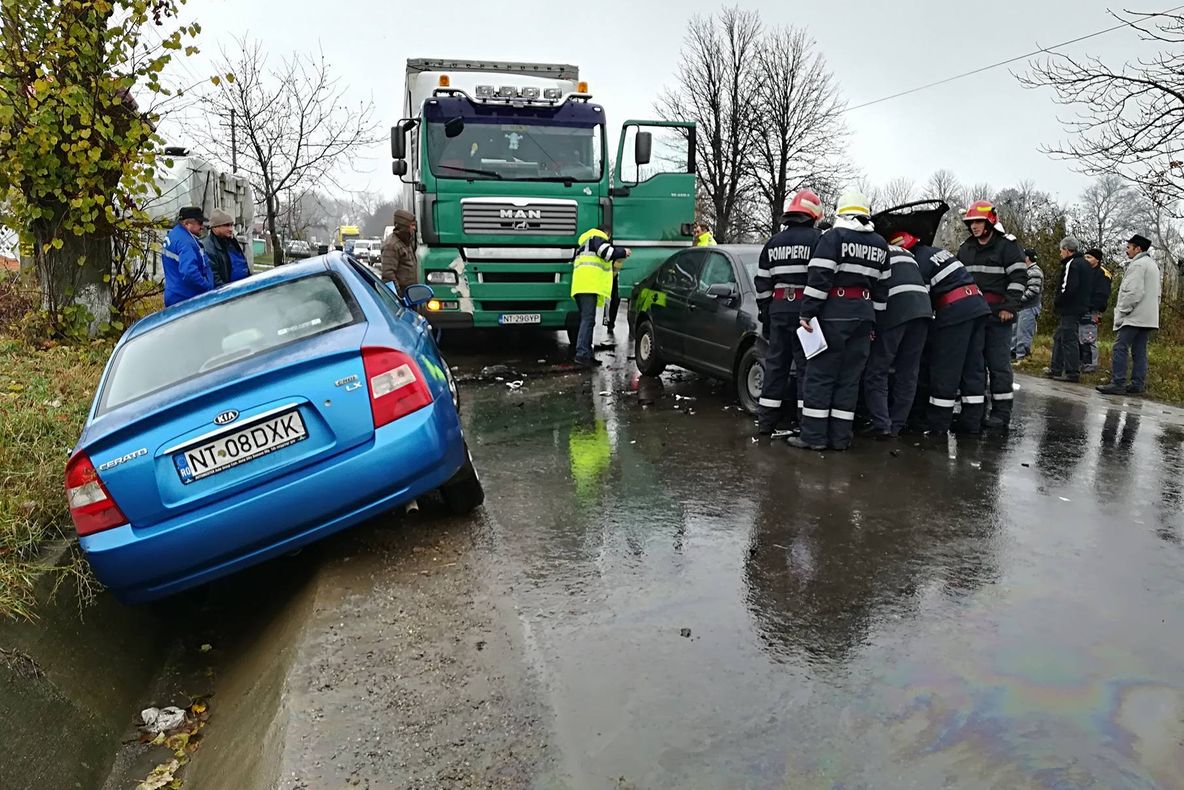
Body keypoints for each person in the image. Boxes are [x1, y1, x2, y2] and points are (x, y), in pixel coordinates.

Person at [789, 192, 890, 451]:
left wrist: (807, 312)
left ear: (841, 213)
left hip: (835, 312)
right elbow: (882, 288)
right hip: (865, 315)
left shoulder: (833, 238)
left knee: (820, 375)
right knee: (849, 378)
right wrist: (873, 322)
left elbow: (820, 277)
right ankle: (840, 438)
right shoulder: (880, 244)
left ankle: (813, 437)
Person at [902, 230, 992, 434]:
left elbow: (919, 301)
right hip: (978, 305)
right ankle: (972, 422)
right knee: (973, 366)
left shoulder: (916, 262)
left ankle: (937, 423)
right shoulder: (936, 253)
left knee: (945, 368)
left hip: (955, 310)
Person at [752, 188, 825, 437]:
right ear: (813, 215)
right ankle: (804, 424)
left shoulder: (772, 243)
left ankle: (766, 423)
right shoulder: (818, 240)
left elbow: (762, 284)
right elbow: (822, 279)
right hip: (807, 312)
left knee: (776, 366)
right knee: (807, 368)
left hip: (779, 309)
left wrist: (766, 313)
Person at [957, 200, 1027, 431]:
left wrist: (1009, 307)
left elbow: (1018, 279)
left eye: (978, 221)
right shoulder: (965, 248)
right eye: (971, 223)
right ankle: (974, 413)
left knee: (998, 366)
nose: (974, 226)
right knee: (973, 366)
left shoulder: (1007, 247)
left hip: (998, 316)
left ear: (990, 221)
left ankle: (1001, 413)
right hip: (973, 316)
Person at [861, 237, 932, 439]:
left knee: (877, 370)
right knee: (908, 372)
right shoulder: (908, 254)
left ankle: (882, 423)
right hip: (922, 310)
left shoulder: (874, 250)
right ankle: (897, 425)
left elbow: (873, 287)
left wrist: (873, 323)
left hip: (896, 310)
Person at [1097, 234, 1160, 395]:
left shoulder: (1138, 265)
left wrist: (1122, 311)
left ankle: (1118, 382)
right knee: (1139, 350)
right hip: (1148, 317)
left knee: (1120, 346)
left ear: (1137, 248)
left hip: (1134, 315)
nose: (1127, 250)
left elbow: (1133, 292)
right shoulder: (1152, 265)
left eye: (1129, 247)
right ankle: (1137, 384)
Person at [572, 227, 629, 368]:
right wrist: (623, 252)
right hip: (588, 286)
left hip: (582, 286)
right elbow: (607, 253)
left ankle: (587, 354)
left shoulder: (584, 244)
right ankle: (582, 354)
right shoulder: (597, 238)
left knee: (588, 320)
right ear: (607, 233)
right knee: (588, 320)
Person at [1047, 237, 1092, 382]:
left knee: (1068, 338)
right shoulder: (1085, 264)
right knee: (1059, 336)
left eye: (1061, 250)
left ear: (1067, 249)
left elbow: (1068, 287)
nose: (1060, 253)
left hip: (1070, 307)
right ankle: (1056, 368)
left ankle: (1072, 372)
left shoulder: (1071, 264)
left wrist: (1058, 300)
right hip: (1081, 306)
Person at [162, 206, 213, 307]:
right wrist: (207, 286)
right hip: (186, 298)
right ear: (187, 223)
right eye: (199, 223)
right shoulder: (186, 242)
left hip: (174, 294)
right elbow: (189, 272)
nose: (202, 227)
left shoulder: (174, 235)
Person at [1079, 247, 1112, 373]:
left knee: (1089, 336)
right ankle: (1082, 362)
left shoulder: (1103, 274)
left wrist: (1091, 306)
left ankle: (1092, 364)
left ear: (1096, 260)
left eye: (1089, 257)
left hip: (1094, 311)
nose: (1086, 259)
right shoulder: (1084, 271)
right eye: (1085, 257)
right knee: (1080, 337)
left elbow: (1102, 295)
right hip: (1081, 309)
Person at [201, 208, 250, 287]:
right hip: (230, 293)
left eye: (231, 225)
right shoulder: (208, 246)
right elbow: (214, 276)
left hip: (243, 288)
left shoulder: (232, 242)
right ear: (215, 227)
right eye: (226, 225)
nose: (230, 229)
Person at [1011, 248, 1043, 361]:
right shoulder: (1025, 270)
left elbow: (1033, 291)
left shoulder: (1034, 271)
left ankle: (1022, 357)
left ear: (1027, 258)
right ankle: (1013, 354)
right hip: (1021, 308)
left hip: (1029, 307)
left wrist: (1018, 299)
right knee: (1015, 332)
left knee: (1023, 333)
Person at [380, 209, 418, 293]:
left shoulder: (405, 242)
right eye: (412, 225)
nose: (414, 228)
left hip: (410, 292)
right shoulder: (391, 245)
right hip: (402, 295)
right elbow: (388, 274)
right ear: (404, 226)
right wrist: (398, 296)